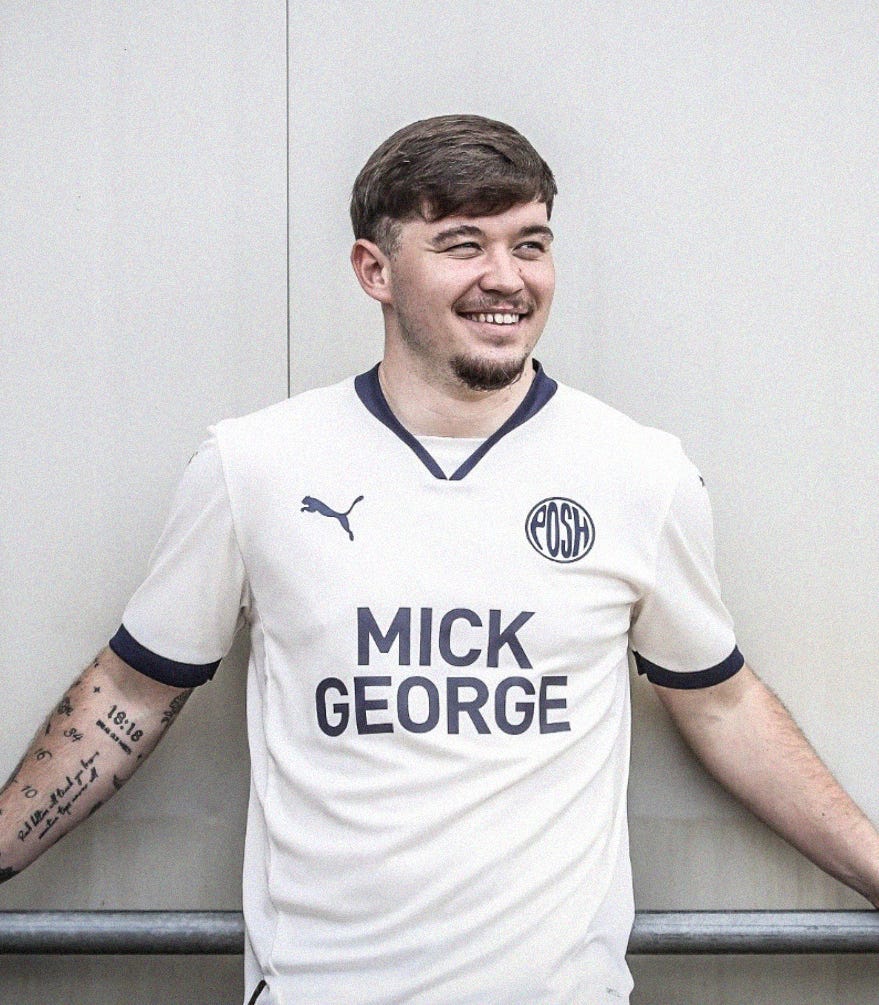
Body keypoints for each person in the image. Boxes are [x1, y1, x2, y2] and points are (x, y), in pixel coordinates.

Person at [1, 114, 877, 1005]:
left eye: (529, 243)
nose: (507, 278)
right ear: (373, 270)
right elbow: (134, 690)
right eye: (461, 244)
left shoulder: (639, 473)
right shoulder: (255, 465)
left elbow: (722, 704)